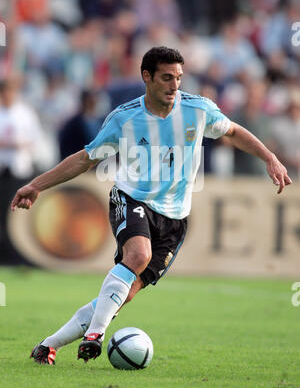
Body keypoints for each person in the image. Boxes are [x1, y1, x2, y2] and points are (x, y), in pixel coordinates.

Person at [11, 46, 292, 365]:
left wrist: (269, 157)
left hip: (175, 220)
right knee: (138, 255)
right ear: (147, 77)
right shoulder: (124, 118)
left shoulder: (198, 110)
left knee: (122, 295)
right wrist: (36, 185)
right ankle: (96, 335)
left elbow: (234, 132)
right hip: (131, 199)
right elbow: (85, 159)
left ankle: (48, 346)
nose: (175, 85)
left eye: (179, 78)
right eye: (167, 78)